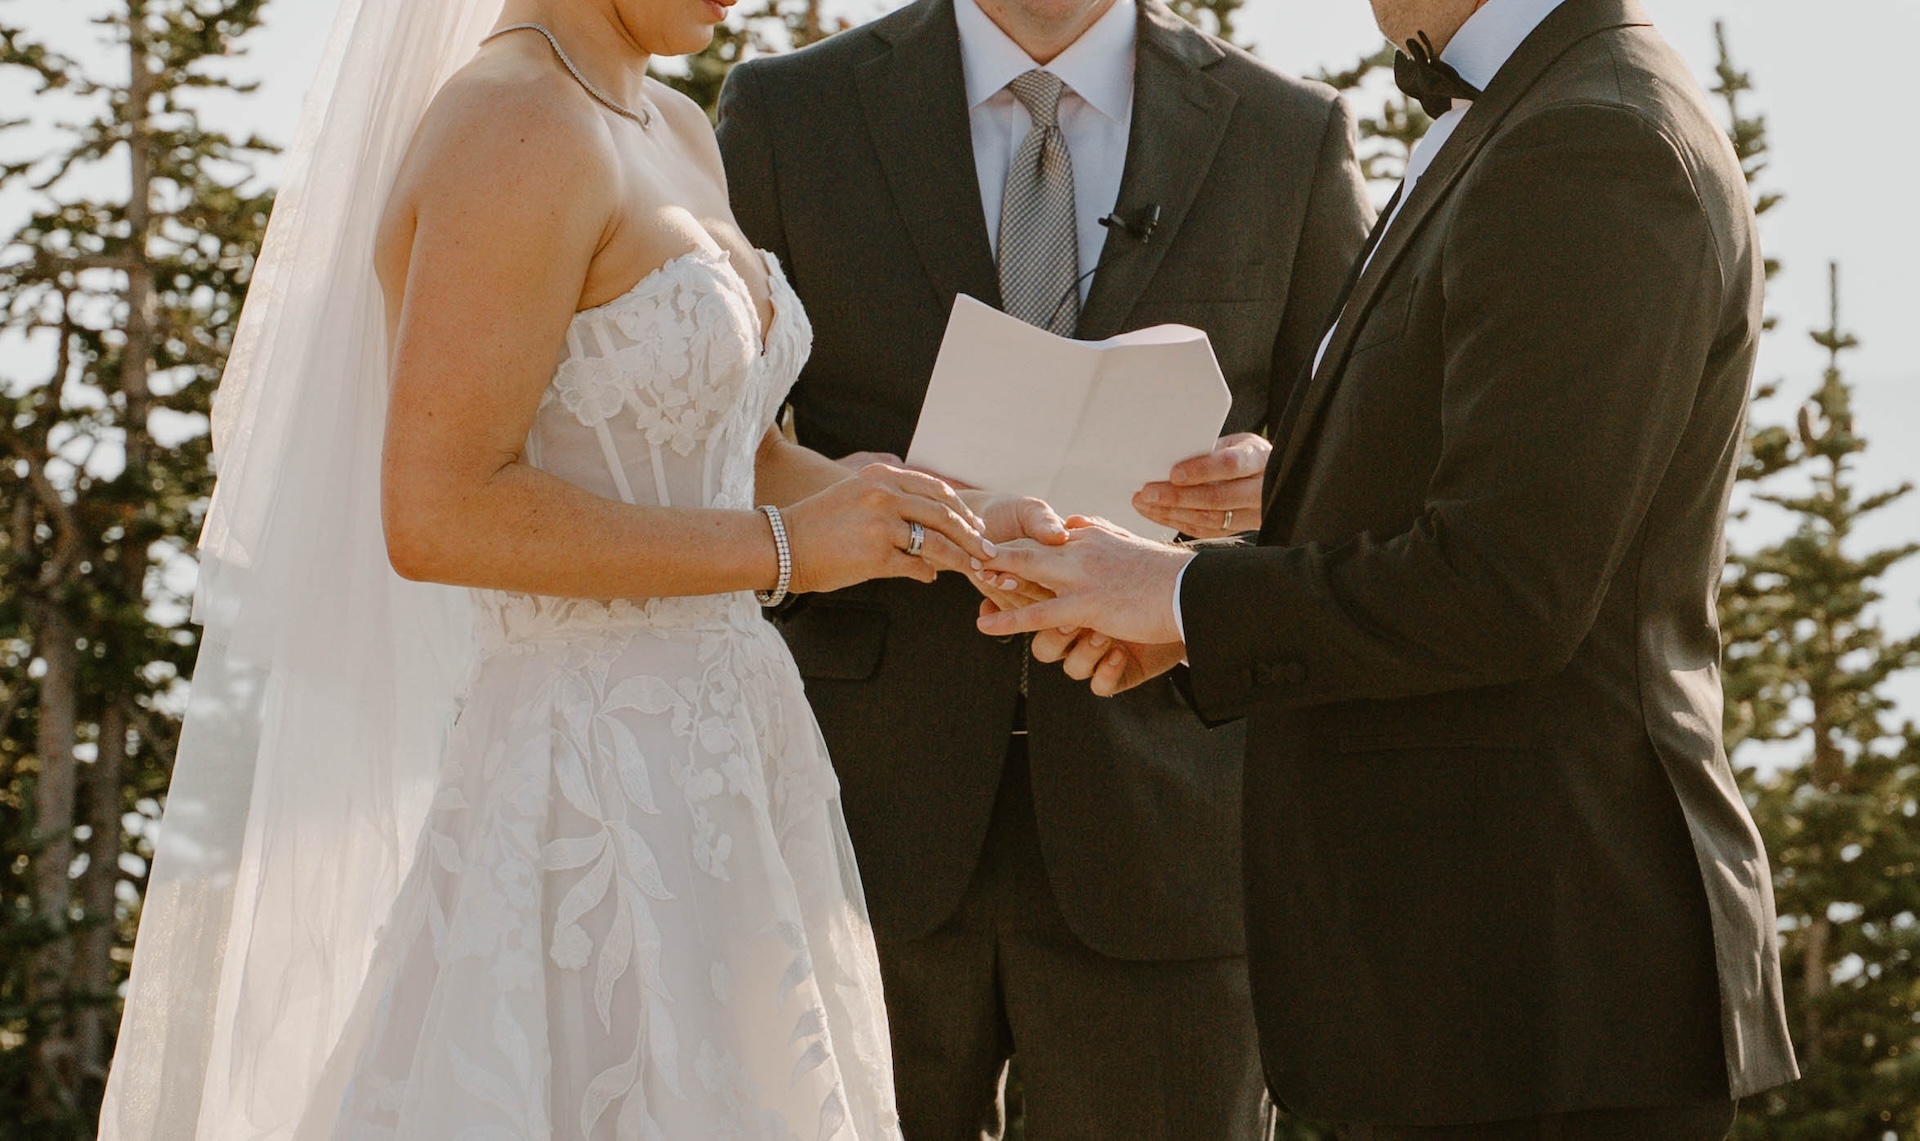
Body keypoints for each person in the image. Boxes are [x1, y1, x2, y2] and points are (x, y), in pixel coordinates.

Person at [98, 0, 1062, 1135]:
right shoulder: (511, 125)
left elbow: (730, 453)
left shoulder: (672, 124)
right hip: (585, 778)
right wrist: (793, 553)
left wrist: (935, 512)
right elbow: (441, 509)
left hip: (737, 764)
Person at [974, 0, 1800, 1137]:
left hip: (1545, 989)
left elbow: (1510, 587)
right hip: (1468, 993)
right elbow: (1500, 483)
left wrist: (1174, 594)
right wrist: (1302, 482)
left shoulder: (1593, 139)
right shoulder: (1529, 110)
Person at [715, 2, 1369, 1136]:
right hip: (849, 820)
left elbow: (1361, 458)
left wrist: (1275, 478)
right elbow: (710, 443)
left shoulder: (1288, 133)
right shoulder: (787, 114)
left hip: (1173, 819)